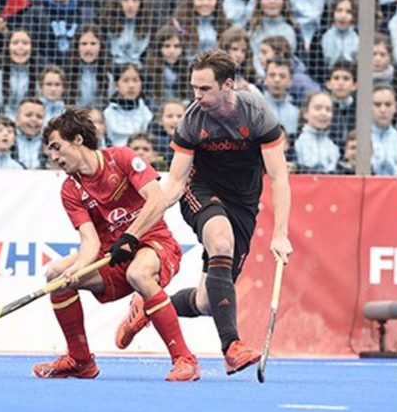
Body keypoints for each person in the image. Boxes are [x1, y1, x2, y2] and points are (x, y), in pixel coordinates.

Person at [115, 50, 293, 376]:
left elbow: (279, 177)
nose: (197, 96)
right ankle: (232, 347)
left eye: (205, 88)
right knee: (221, 240)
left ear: (228, 85)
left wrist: (280, 233)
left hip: (243, 203)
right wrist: (132, 234)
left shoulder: (257, 114)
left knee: (207, 302)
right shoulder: (192, 121)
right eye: (194, 88)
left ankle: (148, 305)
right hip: (201, 191)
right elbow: (173, 186)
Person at [34, 108, 199, 381]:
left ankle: (184, 359)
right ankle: (80, 361)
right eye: (49, 151)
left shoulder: (121, 158)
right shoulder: (70, 189)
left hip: (154, 243)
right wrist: (76, 269)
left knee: (139, 273)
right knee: (56, 276)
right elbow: (90, 241)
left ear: (77, 139)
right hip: (112, 255)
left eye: (56, 147)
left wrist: (130, 237)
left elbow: (157, 200)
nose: (53, 157)